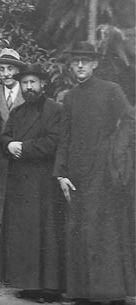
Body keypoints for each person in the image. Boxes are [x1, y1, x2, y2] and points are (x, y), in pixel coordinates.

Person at [54, 41, 134, 305]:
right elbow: (64, 137)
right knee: (79, 230)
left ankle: (110, 292)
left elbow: (130, 120)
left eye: (85, 61)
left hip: (105, 173)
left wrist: (115, 149)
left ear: (95, 64)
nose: (79, 66)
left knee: (104, 231)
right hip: (76, 175)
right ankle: (83, 292)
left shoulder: (111, 90)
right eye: (75, 61)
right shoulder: (70, 97)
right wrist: (61, 174)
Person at [0, 63, 64, 302]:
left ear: (42, 84)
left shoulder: (54, 110)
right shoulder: (17, 112)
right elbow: (4, 136)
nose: (29, 87)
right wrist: (8, 144)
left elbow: (52, 142)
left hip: (43, 183)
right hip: (19, 184)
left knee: (45, 234)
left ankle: (49, 289)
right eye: (25, 83)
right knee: (24, 234)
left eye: (33, 82)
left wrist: (22, 148)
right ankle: (28, 284)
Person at [0, 48, 26, 240]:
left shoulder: (29, 96)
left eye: (10, 68)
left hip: (23, 159)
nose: (6, 74)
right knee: (0, 202)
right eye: (1, 69)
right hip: (0, 161)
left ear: (18, 71)